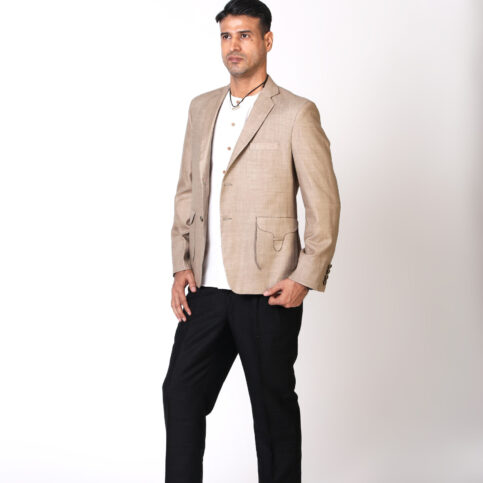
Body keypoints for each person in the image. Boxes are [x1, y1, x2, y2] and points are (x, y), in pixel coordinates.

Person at [162, 0, 341, 481]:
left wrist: (305, 276)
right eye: (226, 36)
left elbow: (324, 203)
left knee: (272, 411)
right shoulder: (201, 107)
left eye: (244, 35)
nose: (233, 45)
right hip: (206, 288)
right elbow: (187, 189)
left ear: (267, 40)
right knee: (180, 394)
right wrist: (181, 262)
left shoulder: (297, 112)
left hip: (268, 288)